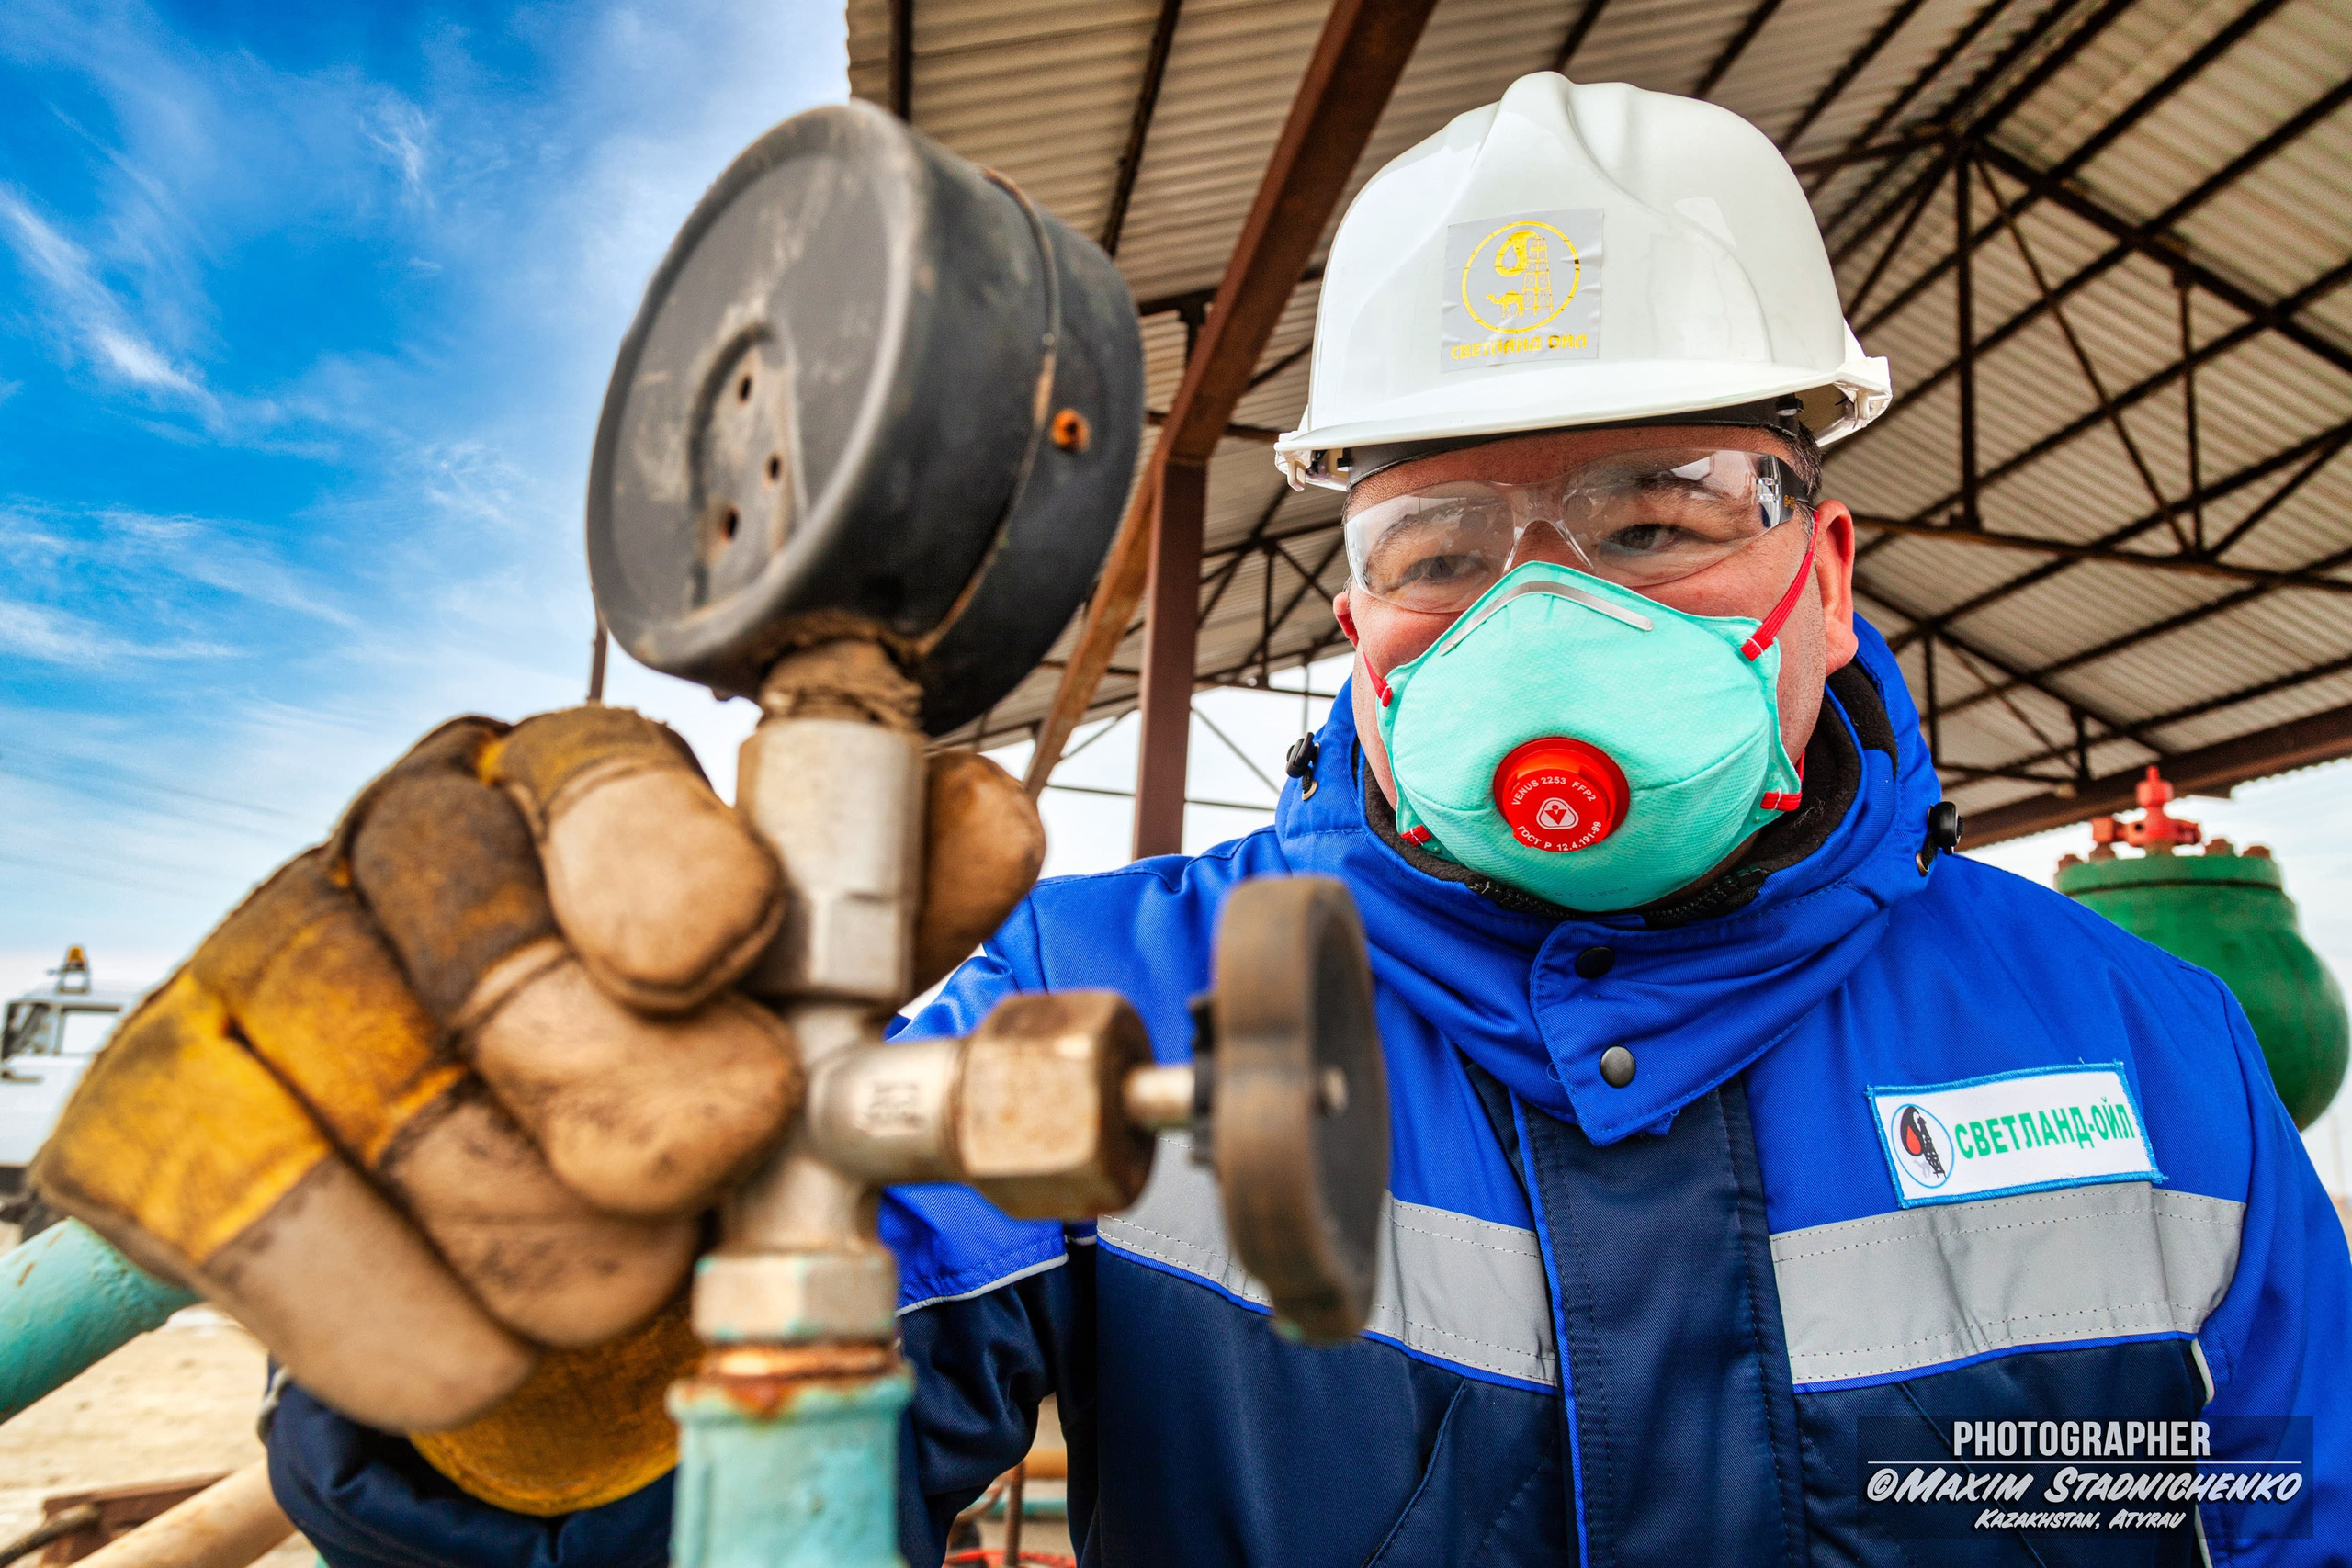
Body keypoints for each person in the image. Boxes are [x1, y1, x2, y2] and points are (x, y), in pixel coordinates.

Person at [33, 72, 2347, 1566]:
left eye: (1662, 515)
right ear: (1348, 609)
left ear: (1825, 570)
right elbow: (720, 1524)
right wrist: (516, 1393)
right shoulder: (1096, 989)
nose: (1535, 614)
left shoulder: (2144, 1052)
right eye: (1435, 545)